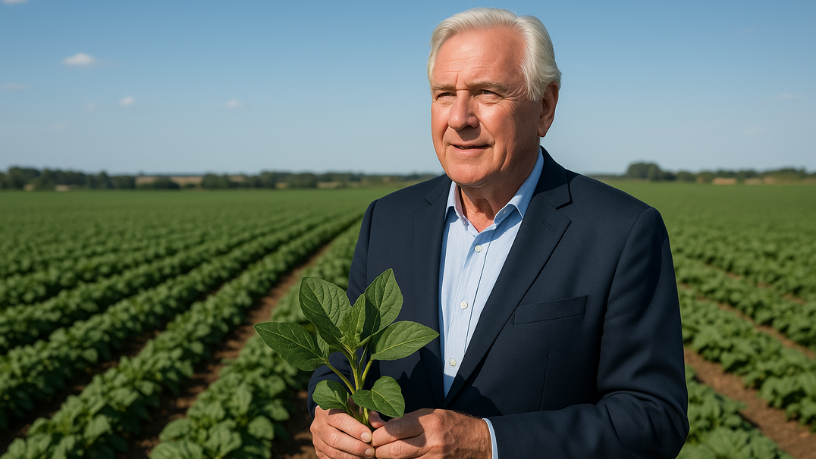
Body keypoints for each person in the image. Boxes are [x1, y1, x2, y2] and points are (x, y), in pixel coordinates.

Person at [308, 7, 688, 458]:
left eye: (487, 92)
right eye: (444, 94)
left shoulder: (621, 231)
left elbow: (652, 417)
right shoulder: (387, 219)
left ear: (544, 107)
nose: (460, 117)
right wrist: (329, 411)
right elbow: (344, 358)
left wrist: (489, 443)